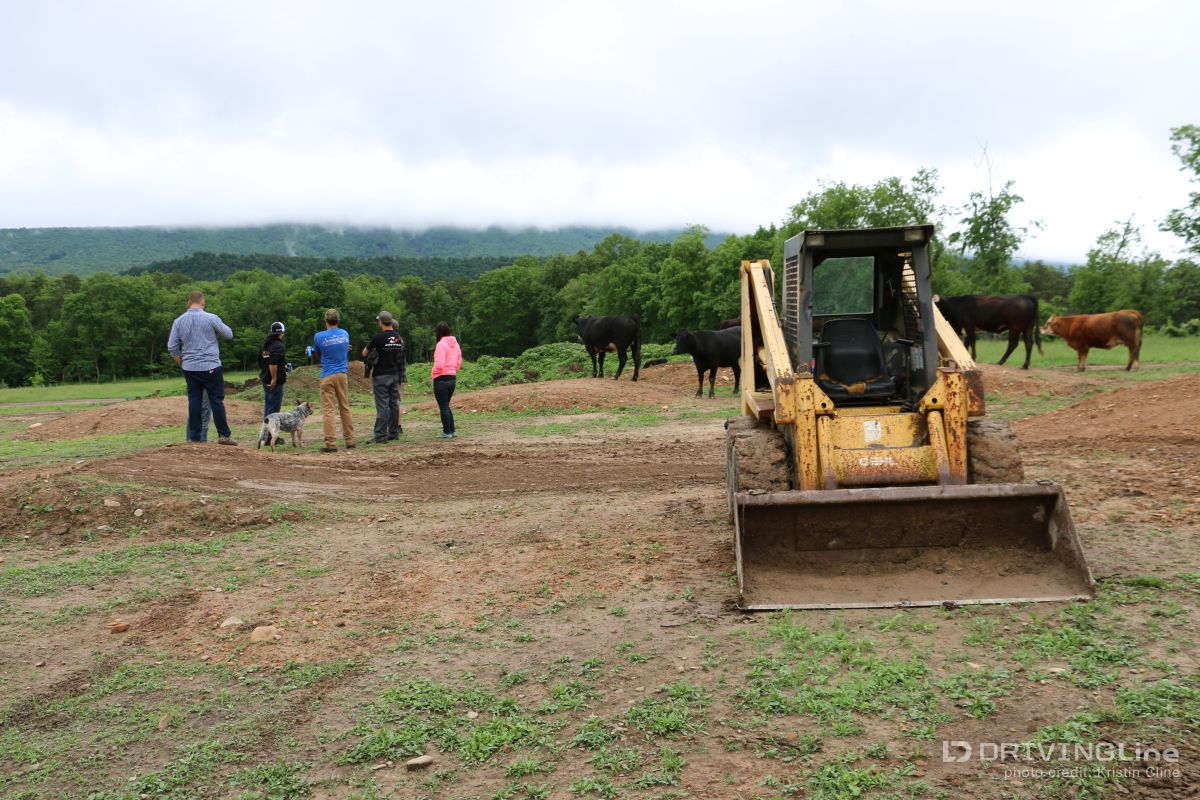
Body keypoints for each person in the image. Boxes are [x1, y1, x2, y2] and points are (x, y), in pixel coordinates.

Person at [167, 290, 236, 445]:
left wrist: (182, 363)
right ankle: (224, 435)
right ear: (203, 302)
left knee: (194, 401)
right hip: (211, 366)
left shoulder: (178, 321)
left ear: (188, 302)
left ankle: (194, 437)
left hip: (190, 368)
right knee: (216, 401)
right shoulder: (211, 318)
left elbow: (172, 347)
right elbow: (229, 335)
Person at [312, 308, 355, 452]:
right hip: (342, 374)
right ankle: (350, 440)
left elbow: (318, 355)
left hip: (327, 375)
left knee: (328, 410)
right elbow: (343, 349)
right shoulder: (344, 333)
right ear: (338, 320)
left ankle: (330, 443)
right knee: (345, 407)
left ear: (325, 321)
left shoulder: (318, 336)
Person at [361, 310, 406, 444]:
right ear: (391, 322)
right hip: (395, 375)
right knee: (394, 404)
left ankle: (380, 435)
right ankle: (394, 432)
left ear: (381, 322)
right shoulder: (399, 338)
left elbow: (364, 353)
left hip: (381, 376)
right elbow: (401, 358)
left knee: (382, 405)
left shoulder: (378, 337)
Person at [431, 321, 462, 439]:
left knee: (443, 406)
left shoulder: (441, 345)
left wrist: (433, 372)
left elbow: (439, 364)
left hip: (441, 378)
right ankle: (452, 430)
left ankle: (447, 431)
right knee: (446, 405)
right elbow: (459, 362)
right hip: (452, 377)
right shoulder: (456, 344)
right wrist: (453, 369)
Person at [258, 321, 288, 419]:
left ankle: (267, 432)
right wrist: (274, 378)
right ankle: (271, 434)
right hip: (275, 382)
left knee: (268, 407)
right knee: (274, 410)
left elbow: (265, 360)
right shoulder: (278, 346)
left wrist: (283, 366)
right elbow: (272, 363)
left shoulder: (266, 344)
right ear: (282, 332)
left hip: (265, 378)